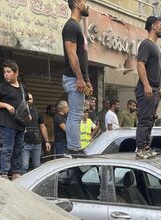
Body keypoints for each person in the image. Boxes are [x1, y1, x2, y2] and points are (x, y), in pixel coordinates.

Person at [0, 59, 28, 180]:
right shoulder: (1, 87)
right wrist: (6, 105)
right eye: (4, 72)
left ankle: (15, 172)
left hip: (20, 123)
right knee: (7, 148)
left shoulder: (22, 88)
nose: (6, 74)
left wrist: (27, 114)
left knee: (18, 149)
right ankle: (4, 173)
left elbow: (25, 103)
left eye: (9, 71)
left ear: (16, 73)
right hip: (7, 123)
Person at [62, 0, 92, 154]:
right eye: (85, 2)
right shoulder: (71, 26)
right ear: (78, 4)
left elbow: (81, 57)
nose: (87, 5)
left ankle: (74, 147)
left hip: (78, 78)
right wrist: (79, 79)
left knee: (77, 113)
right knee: (75, 114)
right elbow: (72, 54)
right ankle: (74, 148)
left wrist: (86, 80)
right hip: (73, 77)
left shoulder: (77, 27)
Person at [135, 15, 161, 159]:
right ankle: (141, 148)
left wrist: (158, 89)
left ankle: (146, 147)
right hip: (146, 89)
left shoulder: (154, 46)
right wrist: (146, 85)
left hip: (154, 88)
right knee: (145, 119)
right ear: (153, 26)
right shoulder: (146, 44)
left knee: (151, 119)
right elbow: (140, 64)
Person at [22, 93, 51, 173]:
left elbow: (42, 126)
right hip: (24, 143)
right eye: (27, 99)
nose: (28, 100)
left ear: (33, 100)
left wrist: (47, 141)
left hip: (37, 143)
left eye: (30, 99)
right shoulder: (20, 111)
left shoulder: (37, 112)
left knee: (36, 166)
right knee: (24, 165)